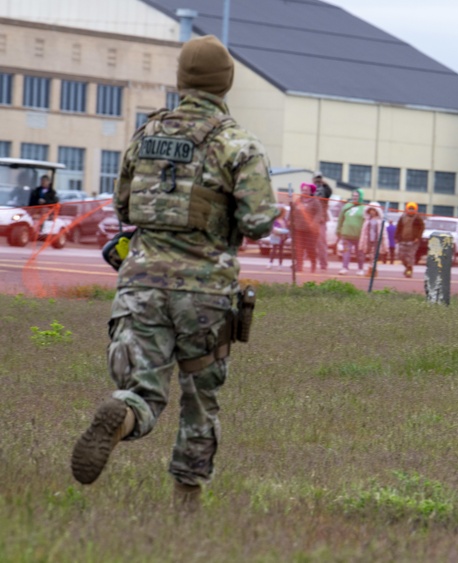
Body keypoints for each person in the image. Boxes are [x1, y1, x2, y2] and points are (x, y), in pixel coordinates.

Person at [70, 35, 279, 510]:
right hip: (204, 294)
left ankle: (122, 413)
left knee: (143, 389)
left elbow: (124, 205)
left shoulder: (145, 136)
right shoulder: (237, 144)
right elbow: (259, 221)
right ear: (226, 82)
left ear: (181, 80)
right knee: (199, 400)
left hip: (140, 284)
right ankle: (186, 505)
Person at [290, 183, 320, 273]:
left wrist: (313, 223)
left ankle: (313, 264)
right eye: (303, 190)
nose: (304, 192)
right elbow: (292, 212)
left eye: (306, 190)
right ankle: (299, 266)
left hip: (311, 231)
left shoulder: (315, 201)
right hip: (299, 229)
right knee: (299, 248)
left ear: (311, 192)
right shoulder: (298, 200)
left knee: (310, 248)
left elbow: (319, 214)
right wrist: (291, 222)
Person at [336, 189, 366, 275]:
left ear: (361, 197)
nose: (355, 198)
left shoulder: (364, 208)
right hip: (346, 234)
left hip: (359, 236)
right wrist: (338, 230)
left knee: (360, 253)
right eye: (353, 196)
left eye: (357, 196)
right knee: (346, 252)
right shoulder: (346, 206)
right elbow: (340, 219)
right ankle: (344, 267)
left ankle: (360, 269)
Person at [394, 201, 424, 278]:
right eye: (409, 209)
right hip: (403, 240)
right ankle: (407, 267)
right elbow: (398, 227)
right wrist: (396, 237)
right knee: (401, 256)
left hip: (413, 241)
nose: (411, 211)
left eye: (413, 209)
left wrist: (418, 237)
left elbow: (422, 228)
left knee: (410, 256)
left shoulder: (418, 218)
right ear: (406, 209)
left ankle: (409, 271)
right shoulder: (402, 217)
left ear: (415, 210)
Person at [358, 206, 387, 276]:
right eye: (371, 210)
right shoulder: (367, 221)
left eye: (373, 210)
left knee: (374, 256)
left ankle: (372, 270)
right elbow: (363, 232)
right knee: (371, 256)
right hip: (369, 240)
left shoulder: (379, 221)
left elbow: (383, 233)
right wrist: (361, 243)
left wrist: (385, 244)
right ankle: (373, 270)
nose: (372, 212)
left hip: (376, 240)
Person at [312, 173, 333, 271]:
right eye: (316, 178)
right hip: (310, 219)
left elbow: (329, 193)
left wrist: (324, 184)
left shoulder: (325, 189)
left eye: (319, 178)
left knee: (321, 243)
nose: (317, 180)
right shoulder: (310, 189)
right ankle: (301, 262)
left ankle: (323, 264)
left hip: (321, 220)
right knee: (307, 241)